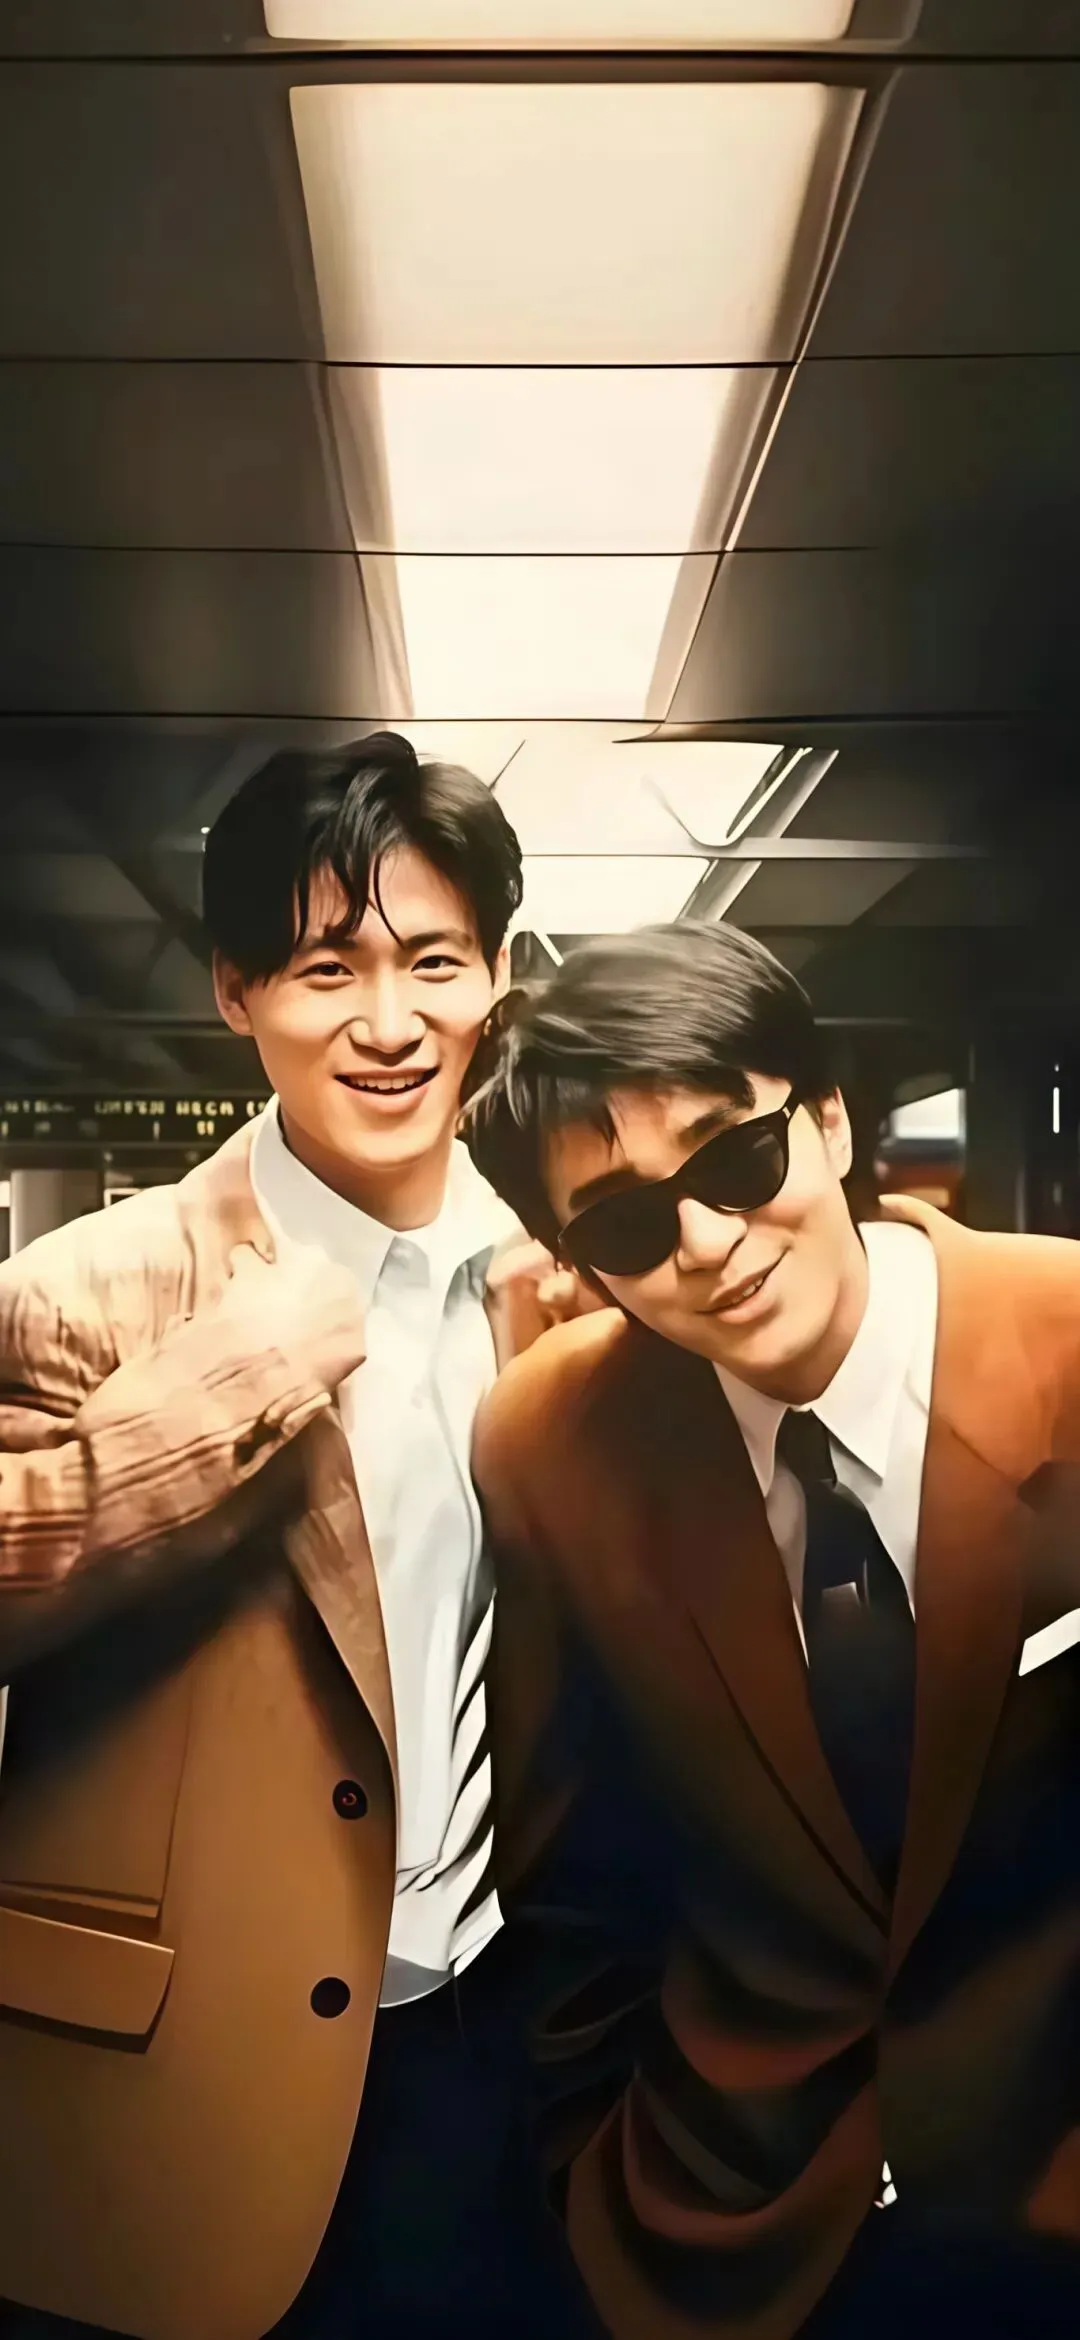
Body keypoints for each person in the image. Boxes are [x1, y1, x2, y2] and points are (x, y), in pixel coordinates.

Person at [0, 732, 600, 2340]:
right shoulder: (89, 1287)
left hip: (490, 2047)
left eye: (434, 963)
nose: (389, 1023)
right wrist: (233, 1387)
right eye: (328, 968)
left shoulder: (559, 1285)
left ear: (497, 977)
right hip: (171, 2074)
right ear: (234, 990)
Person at [468, 920, 1080, 2340]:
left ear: (829, 1121)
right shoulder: (551, 1445)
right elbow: (574, 1877)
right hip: (732, 2233)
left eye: (736, 1159)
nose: (706, 1244)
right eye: (625, 1225)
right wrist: (590, 2176)